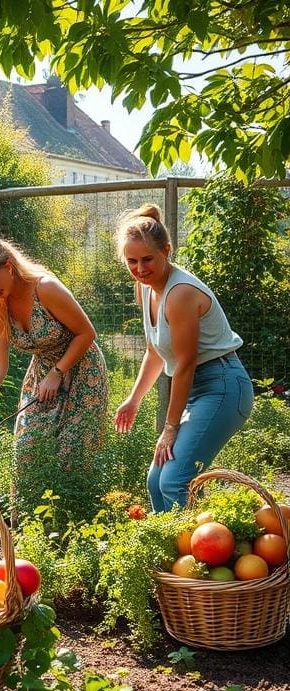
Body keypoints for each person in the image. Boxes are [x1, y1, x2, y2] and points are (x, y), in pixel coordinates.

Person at [113, 205, 253, 513]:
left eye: (147, 259)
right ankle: (170, 552)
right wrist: (134, 399)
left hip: (223, 386)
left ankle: (195, 557)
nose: (139, 269)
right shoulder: (146, 288)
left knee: (175, 479)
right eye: (131, 261)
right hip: (200, 389)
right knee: (156, 479)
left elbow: (186, 363)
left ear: (166, 250)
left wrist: (170, 426)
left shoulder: (180, 294)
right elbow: (155, 351)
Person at [0, 232, 109, 470]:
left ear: (8, 266)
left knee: (73, 453)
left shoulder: (45, 288)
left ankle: (76, 507)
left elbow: (87, 333)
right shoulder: (0, 307)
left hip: (83, 372)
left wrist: (57, 373)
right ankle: (26, 508)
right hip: (41, 377)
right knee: (26, 450)